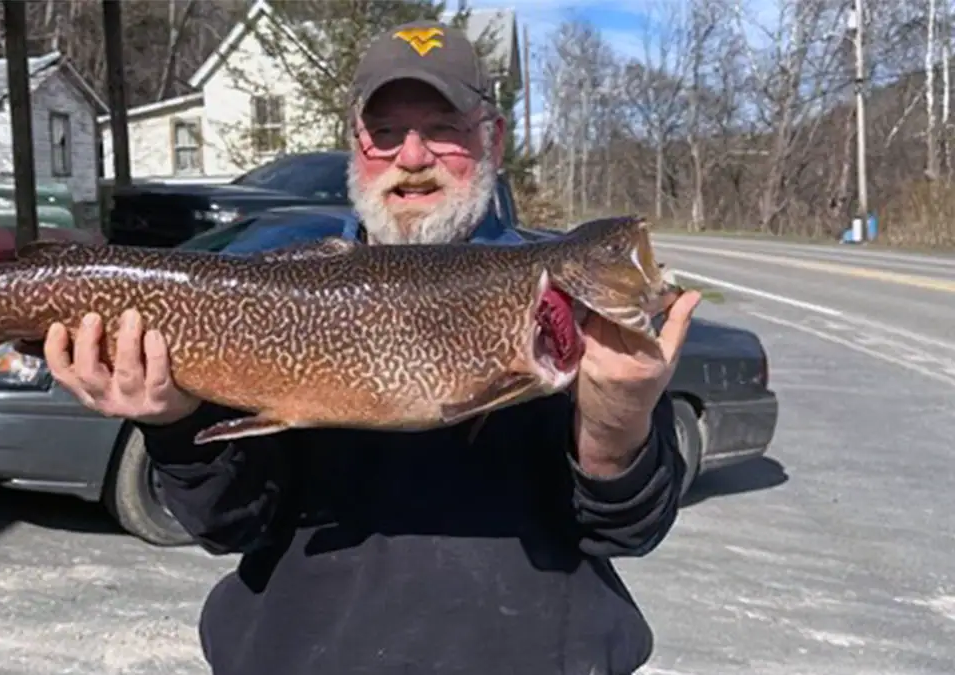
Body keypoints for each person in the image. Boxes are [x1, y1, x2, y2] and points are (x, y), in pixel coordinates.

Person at [44, 19, 702, 675]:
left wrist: (615, 424)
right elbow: (230, 525)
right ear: (355, 145)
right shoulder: (286, 290)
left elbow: (630, 531)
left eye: (443, 128)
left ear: (492, 138)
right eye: (385, 132)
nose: (411, 157)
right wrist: (172, 424)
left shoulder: (563, 312)